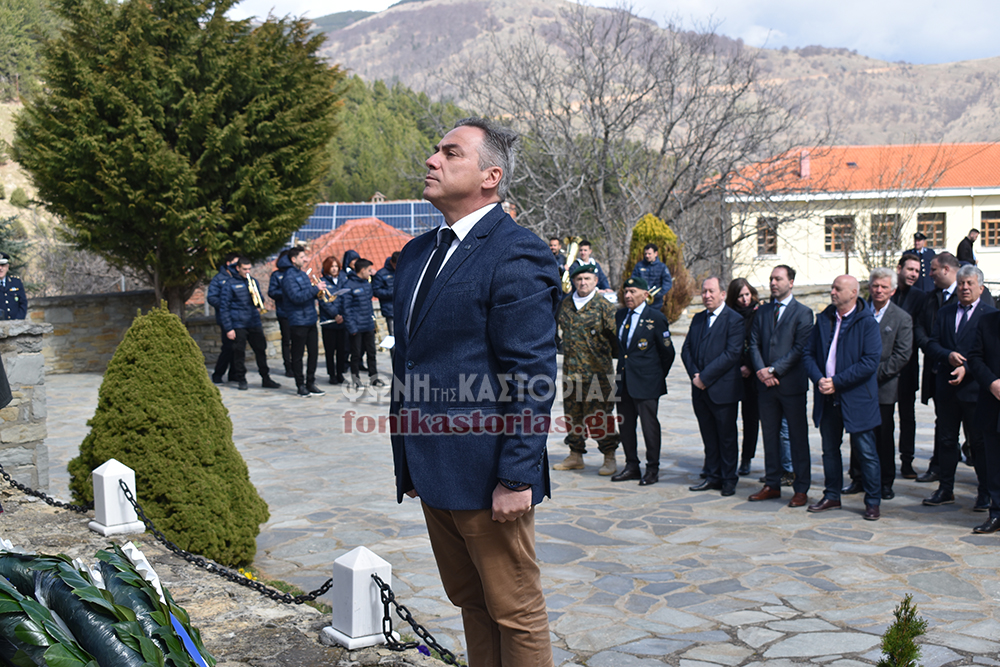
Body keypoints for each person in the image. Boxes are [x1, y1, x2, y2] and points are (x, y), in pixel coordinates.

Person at [390, 117, 558, 667]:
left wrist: (517, 475)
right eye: (435, 150)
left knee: (515, 610)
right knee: (471, 601)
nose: (432, 160)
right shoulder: (417, 254)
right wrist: (408, 457)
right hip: (432, 465)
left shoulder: (516, 253)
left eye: (450, 153)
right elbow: (412, 359)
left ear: (491, 176)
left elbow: (531, 374)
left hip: (489, 475)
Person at [803, 276, 882, 520]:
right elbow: (808, 354)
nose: (832, 292)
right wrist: (819, 379)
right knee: (829, 450)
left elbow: (870, 362)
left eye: (838, 289)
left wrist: (837, 382)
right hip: (827, 397)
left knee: (866, 451)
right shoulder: (824, 318)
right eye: (832, 288)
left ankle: (873, 501)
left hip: (856, 398)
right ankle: (832, 495)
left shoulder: (867, 322)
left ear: (853, 293)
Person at [922, 265, 995, 510]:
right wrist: (948, 355)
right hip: (947, 389)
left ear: (980, 288)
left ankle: (984, 492)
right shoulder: (945, 312)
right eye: (961, 283)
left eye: (970, 283)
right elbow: (932, 344)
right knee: (946, 440)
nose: (964, 288)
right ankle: (945, 488)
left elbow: (990, 354)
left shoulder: (989, 315)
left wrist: (967, 367)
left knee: (979, 443)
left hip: (975, 391)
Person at [843, 268, 912, 501]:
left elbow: (901, 355)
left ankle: (884, 481)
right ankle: (858, 478)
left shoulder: (901, 318)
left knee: (883, 435)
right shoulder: (858, 313)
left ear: (892, 290)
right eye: (875, 286)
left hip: (883, 387)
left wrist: (871, 374)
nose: (879, 290)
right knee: (857, 433)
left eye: (884, 287)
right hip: (856, 386)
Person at [748, 265, 814, 506]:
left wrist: (774, 370)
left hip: (791, 386)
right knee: (770, 437)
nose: (773, 283)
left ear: (791, 282)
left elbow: (799, 348)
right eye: (771, 279)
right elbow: (753, 343)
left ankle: (801, 488)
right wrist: (762, 372)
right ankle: (772, 484)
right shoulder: (762, 311)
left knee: (797, 438)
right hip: (766, 387)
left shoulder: (803, 313)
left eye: (778, 279)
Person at [553, 264, 620, 476]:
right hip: (571, 374)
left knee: (600, 417)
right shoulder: (565, 305)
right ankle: (575, 455)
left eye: (587, 279)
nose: (583, 283)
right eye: (579, 279)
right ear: (573, 281)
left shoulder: (604, 306)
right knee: (573, 416)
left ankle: (609, 456)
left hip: (597, 375)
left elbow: (615, 339)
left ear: (596, 281)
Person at [610, 276, 675, 485]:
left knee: (649, 427)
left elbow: (668, 353)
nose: (628, 296)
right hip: (624, 381)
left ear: (645, 295)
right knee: (626, 426)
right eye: (626, 292)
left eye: (633, 292)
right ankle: (631, 466)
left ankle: (652, 468)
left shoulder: (655, 317)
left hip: (647, 383)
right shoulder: (621, 315)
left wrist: (655, 376)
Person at [682, 276, 744, 497]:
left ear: (723, 294)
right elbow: (686, 349)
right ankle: (713, 475)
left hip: (722, 390)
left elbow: (731, 354)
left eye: (711, 291)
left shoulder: (734, 320)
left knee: (726, 437)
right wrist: (695, 376)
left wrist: (705, 377)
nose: (707, 296)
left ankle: (728, 479)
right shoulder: (699, 318)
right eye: (704, 292)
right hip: (699, 390)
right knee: (708, 436)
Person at [913, 252, 961, 482]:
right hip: (937, 368)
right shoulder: (930, 298)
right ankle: (939, 467)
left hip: (966, 372)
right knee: (943, 423)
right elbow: (920, 328)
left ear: (946, 269)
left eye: (933, 269)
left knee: (974, 428)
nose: (929, 274)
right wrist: (932, 348)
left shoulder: (973, 295)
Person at [219, 257, 281, 391]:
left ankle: (266, 378)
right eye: (245, 269)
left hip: (254, 321)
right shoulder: (229, 284)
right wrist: (229, 328)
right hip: (238, 323)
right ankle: (241, 379)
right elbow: (224, 307)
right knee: (239, 352)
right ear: (238, 268)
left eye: (249, 269)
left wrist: (258, 298)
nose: (247, 272)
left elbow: (260, 301)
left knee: (260, 350)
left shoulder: (253, 281)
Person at [966, 302, 1000, 533]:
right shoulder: (988, 322)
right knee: (994, 465)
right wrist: (992, 383)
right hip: (993, 405)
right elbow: (975, 358)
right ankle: (996, 513)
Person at [892, 252, 926, 479]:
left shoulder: (921, 297)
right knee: (882, 416)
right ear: (899, 268)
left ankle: (907, 460)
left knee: (907, 417)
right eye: (910, 269)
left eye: (917, 271)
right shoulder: (886, 291)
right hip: (883, 367)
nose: (914, 274)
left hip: (908, 366)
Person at [282, 246, 327, 398]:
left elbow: (307, 295)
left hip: (310, 318)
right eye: (302, 257)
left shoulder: (302, 274)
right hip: (298, 320)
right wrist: (315, 289)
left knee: (313, 353)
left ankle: (310, 382)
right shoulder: (288, 277)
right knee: (298, 355)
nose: (305, 259)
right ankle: (300, 385)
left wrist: (318, 292)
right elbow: (296, 297)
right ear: (293, 259)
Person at [726, 278, 760, 477]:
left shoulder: (758, 312)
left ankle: (747, 457)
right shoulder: (729, 314)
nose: (745, 299)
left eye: (747, 294)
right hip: (732, 371)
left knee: (751, 418)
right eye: (740, 296)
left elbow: (758, 342)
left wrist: (749, 366)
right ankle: (728, 456)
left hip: (751, 374)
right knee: (728, 418)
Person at [342, 258, 383, 389]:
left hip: (368, 325)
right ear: (362, 270)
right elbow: (346, 309)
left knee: (372, 353)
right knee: (356, 355)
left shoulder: (367, 284)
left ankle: (374, 378)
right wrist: (352, 327)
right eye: (369, 270)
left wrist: (373, 323)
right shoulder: (348, 285)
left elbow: (369, 304)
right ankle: (356, 379)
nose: (371, 273)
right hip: (356, 326)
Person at [207, 252, 239, 384]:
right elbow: (212, 297)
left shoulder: (239, 278)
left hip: (238, 317)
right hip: (225, 317)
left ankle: (234, 374)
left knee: (237, 347)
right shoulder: (219, 278)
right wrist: (225, 304)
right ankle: (218, 373)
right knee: (228, 347)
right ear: (228, 263)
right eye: (235, 263)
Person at [319, 256, 348, 385]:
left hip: (342, 320)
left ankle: (340, 373)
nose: (334, 269)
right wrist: (335, 315)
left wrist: (343, 314)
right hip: (329, 321)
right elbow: (324, 302)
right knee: (330, 350)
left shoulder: (343, 280)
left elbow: (345, 298)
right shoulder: (323, 282)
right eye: (332, 266)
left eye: (336, 266)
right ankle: (332, 374)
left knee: (342, 349)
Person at [267, 250, 295, 378]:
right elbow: (272, 292)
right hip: (284, 312)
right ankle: (288, 366)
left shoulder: (295, 273)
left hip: (296, 312)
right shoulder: (277, 275)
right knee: (286, 340)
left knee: (297, 340)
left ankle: (296, 364)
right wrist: (286, 292)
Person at [630, 244, 673, 311]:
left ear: (656, 254)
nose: (647, 256)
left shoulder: (662, 267)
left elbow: (667, 283)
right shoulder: (639, 266)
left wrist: (657, 294)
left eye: (649, 254)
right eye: (645, 254)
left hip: (656, 302)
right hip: (641, 300)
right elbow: (633, 281)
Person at [372, 252, 398, 337]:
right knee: (393, 336)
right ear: (391, 262)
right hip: (390, 309)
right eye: (395, 265)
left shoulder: (404, 270)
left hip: (404, 307)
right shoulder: (381, 274)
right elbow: (376, 291)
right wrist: (392, 293)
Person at [0, 253, 27, 321]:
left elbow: (23, 303)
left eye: (3, 265)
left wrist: (18, 320)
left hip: (16, 324)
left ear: (7, 267)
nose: (0, 268)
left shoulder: (16, 283)